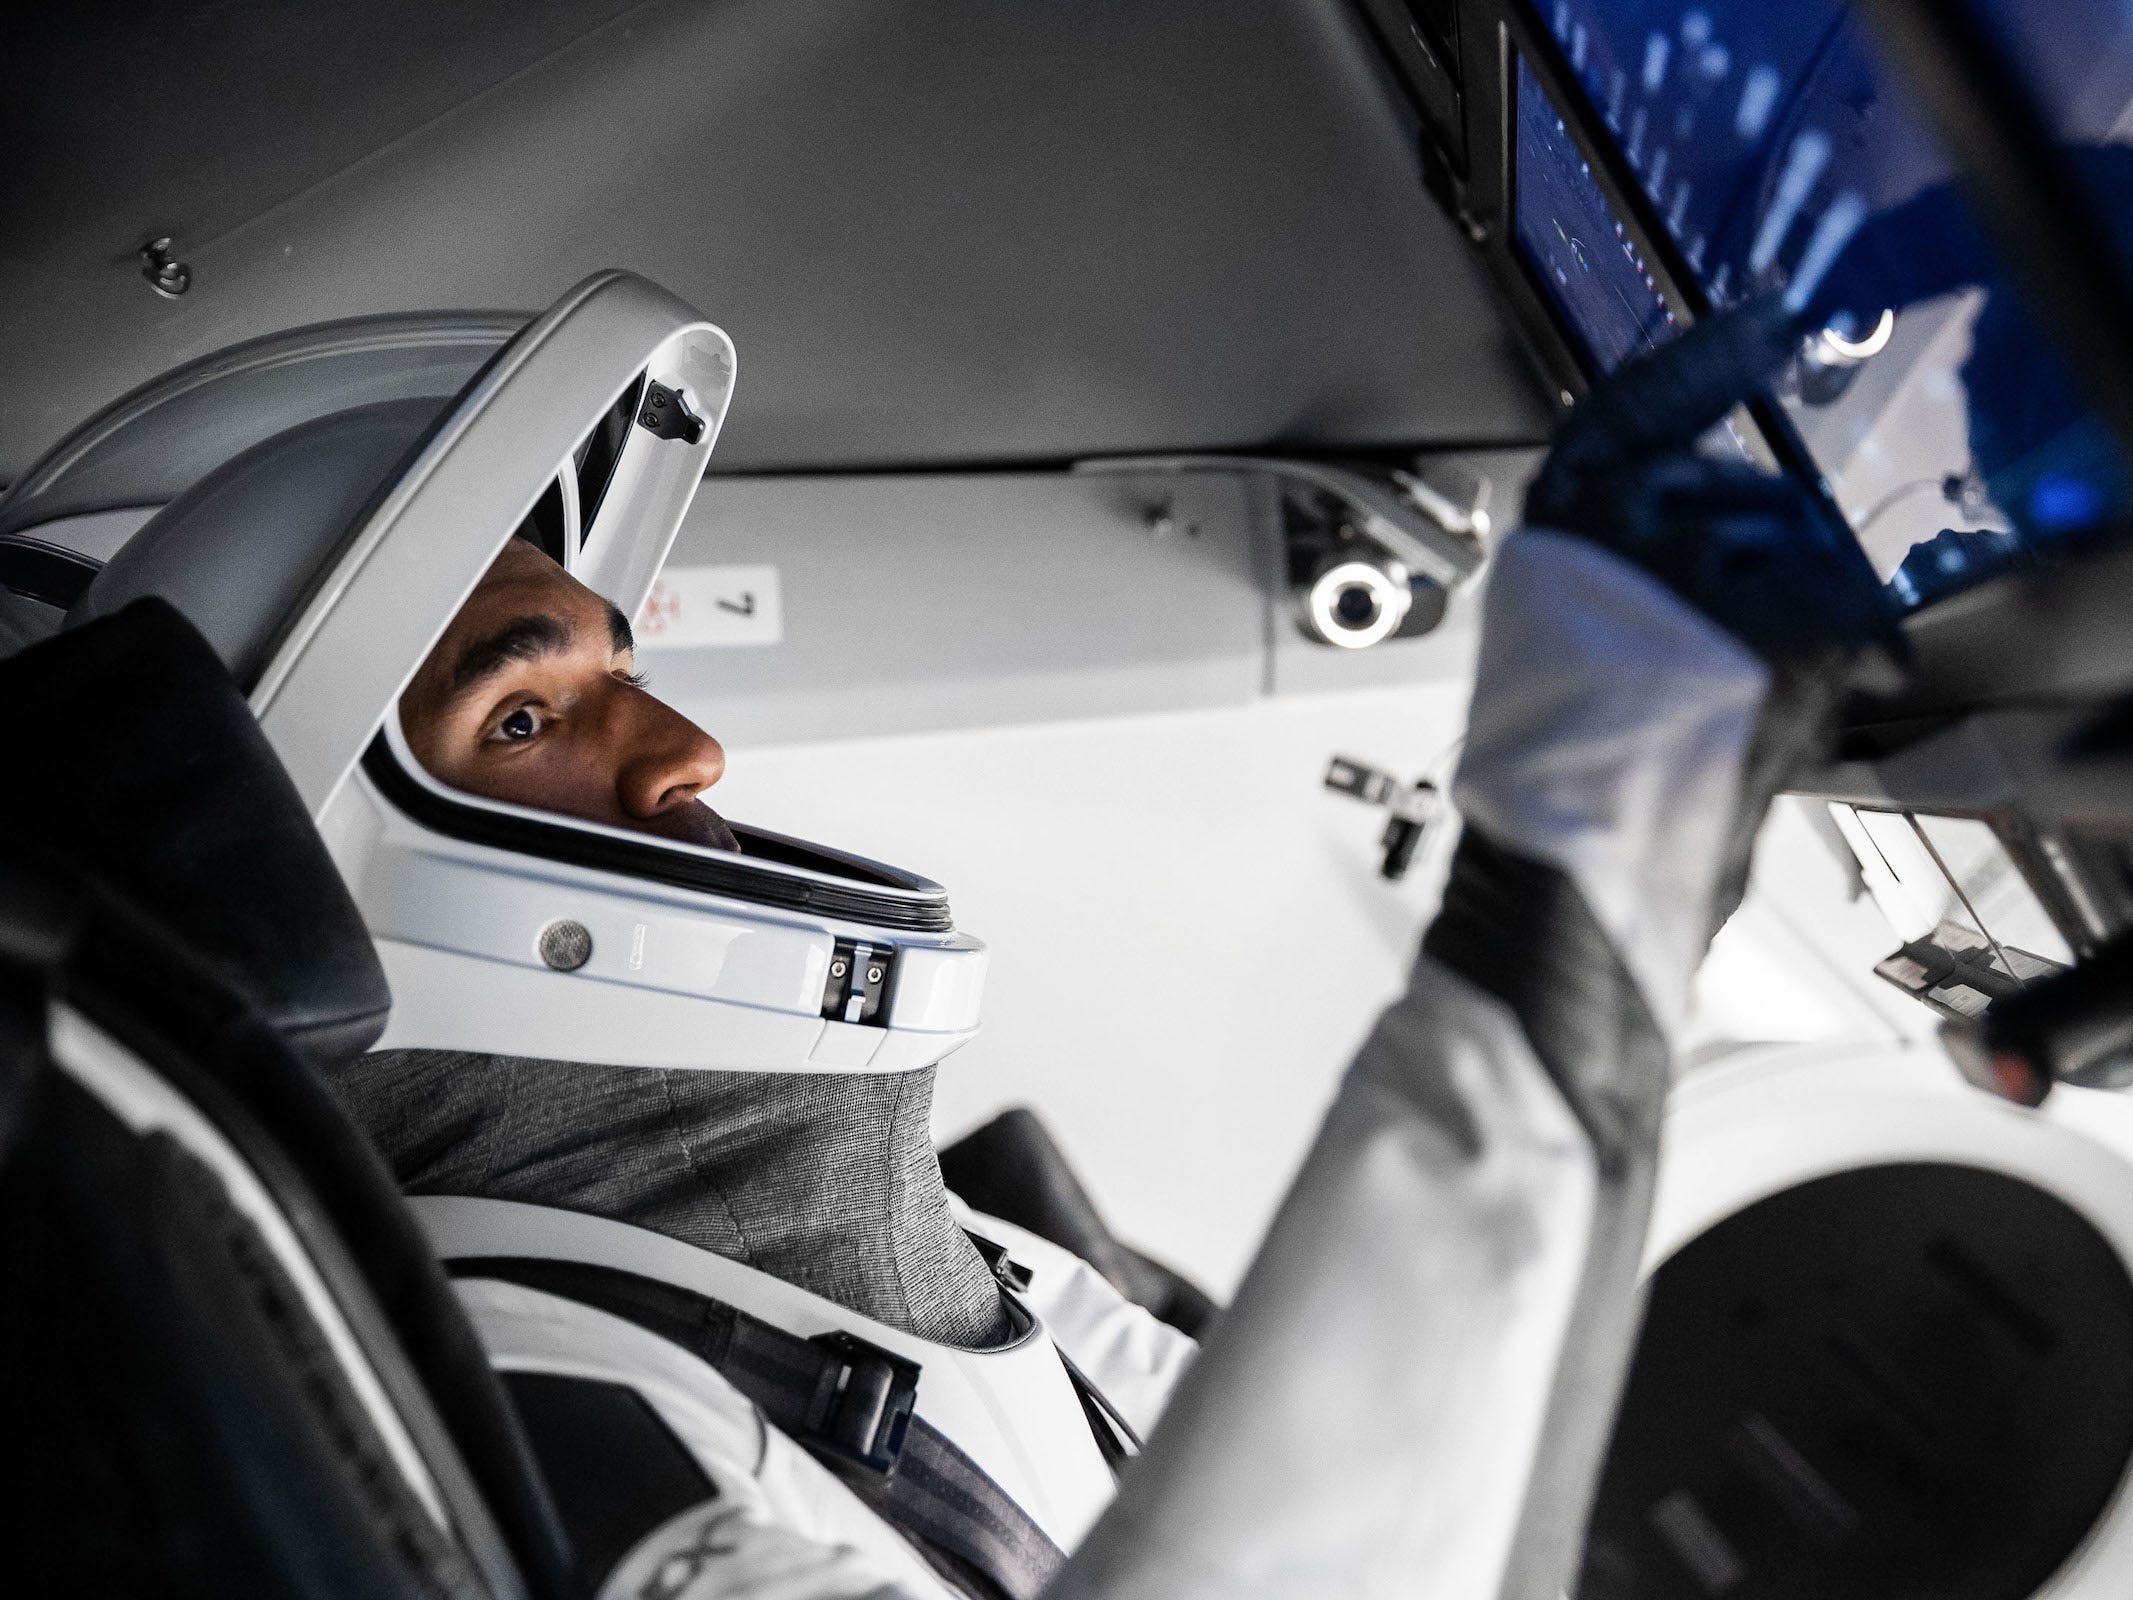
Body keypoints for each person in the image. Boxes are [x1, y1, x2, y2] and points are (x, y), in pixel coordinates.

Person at [318, 291, 1892, 1599]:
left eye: (623, 671)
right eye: (523, 716)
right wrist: (1575, 871)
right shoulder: (528, 1432)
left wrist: (1629, 893)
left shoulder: (948, 1260)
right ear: (330, 898)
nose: (689, 751)